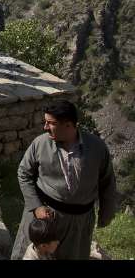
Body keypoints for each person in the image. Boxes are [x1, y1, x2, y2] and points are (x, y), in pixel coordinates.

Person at [11, 101, 117, 260]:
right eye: (45, 122)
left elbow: (107, 182)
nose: (45, 127)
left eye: (51, 123)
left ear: (68, 125)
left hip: (78, 223)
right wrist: (36, 206)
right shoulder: (40, 143)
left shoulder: (97, 148)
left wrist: (106, 214)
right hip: (43, 218)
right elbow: (24, 173)